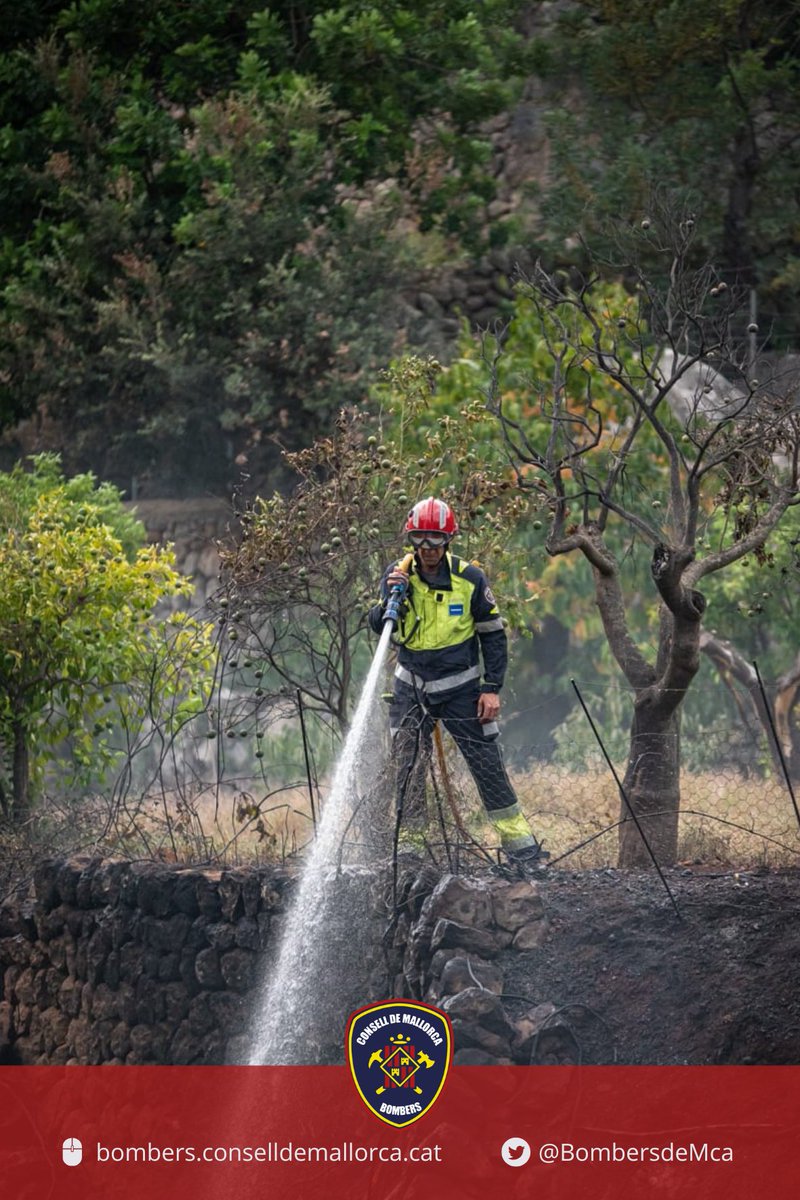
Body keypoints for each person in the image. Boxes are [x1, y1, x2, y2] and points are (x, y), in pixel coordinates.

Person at [368, 497, 547, 868]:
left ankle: (521, 848)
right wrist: (390, 597)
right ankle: (411, 849)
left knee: (486, 764)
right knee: (408, 767)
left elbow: (493, 636)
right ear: (410, 539)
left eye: (435, 539)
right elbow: (378, 624)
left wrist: (491, 689)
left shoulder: (470, 579)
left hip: (461, 690)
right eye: (419, 538)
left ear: (448, 539)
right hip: (412, 688)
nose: (427, 548)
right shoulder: (398, 574)